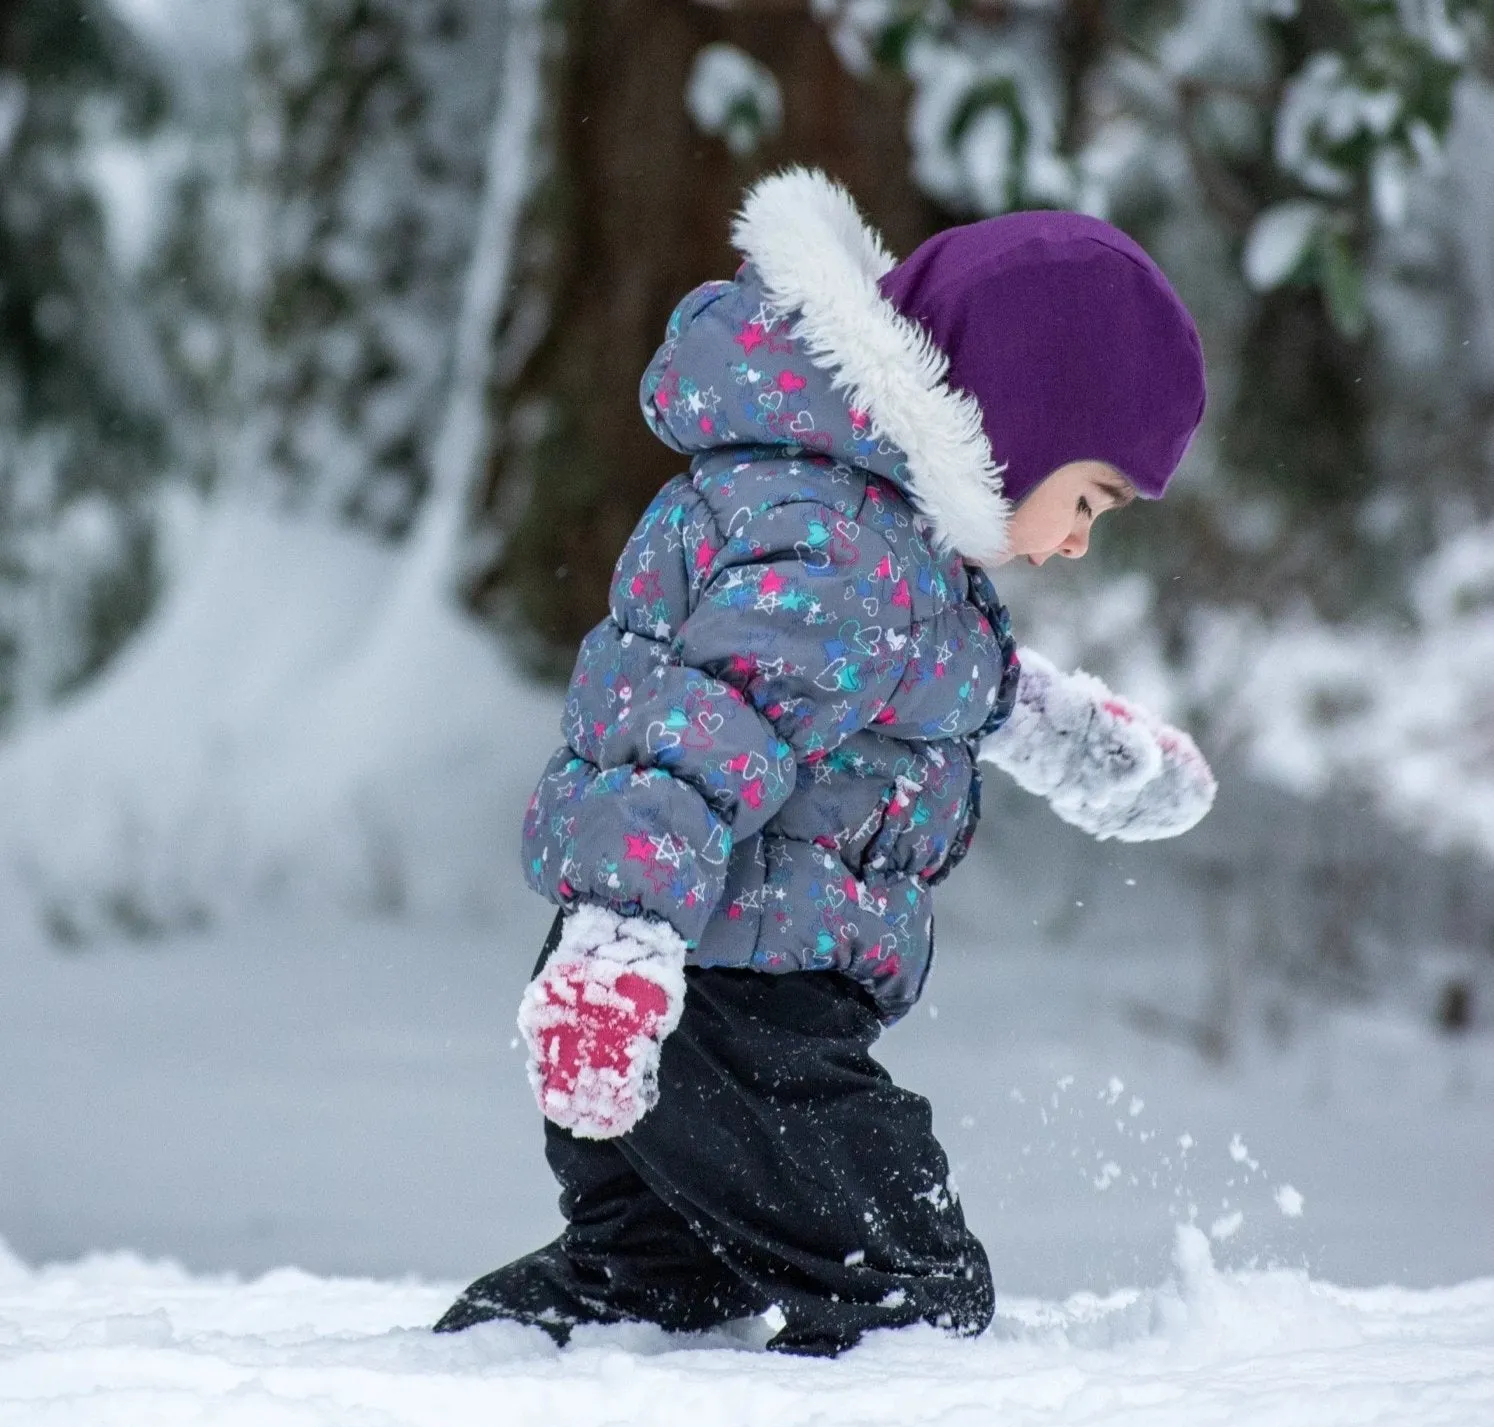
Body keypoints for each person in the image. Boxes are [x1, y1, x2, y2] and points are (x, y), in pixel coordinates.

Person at [434, 168, 1215, 1356]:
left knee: (659, 1289)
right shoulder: (841, 550)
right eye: (1090, 497)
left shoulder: (872, 539)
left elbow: (949, 684)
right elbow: (691, 743)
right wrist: (617, 952)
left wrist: (1085, 749)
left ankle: (466, 1404)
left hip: (700, 985)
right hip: (719, 1001)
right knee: (913, 1295)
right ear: (1022, 416)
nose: (1071, 543)